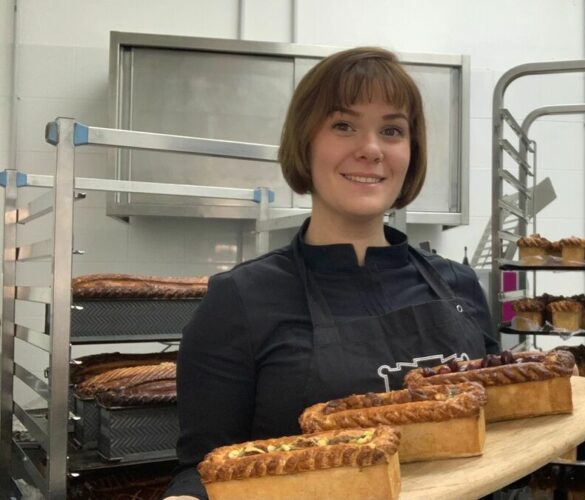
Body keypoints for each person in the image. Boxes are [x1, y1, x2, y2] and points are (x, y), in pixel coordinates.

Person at [163, 47, 500, 499]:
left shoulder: (459, 286)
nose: (371, 149)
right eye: (344, 125)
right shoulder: (240, 300)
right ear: (305, 141)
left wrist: (577, 417)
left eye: (392, 130)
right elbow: (207, 471)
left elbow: (501, 436)